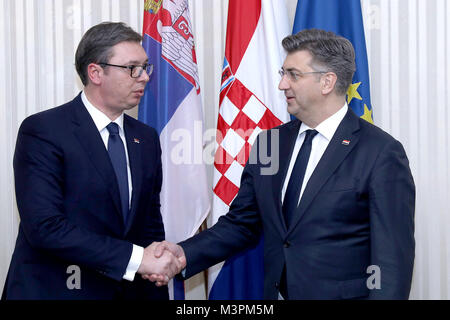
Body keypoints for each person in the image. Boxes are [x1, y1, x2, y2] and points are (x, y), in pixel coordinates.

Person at [151, 29, 416, 300]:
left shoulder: (380, 153)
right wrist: (183, 254)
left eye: (294, 75)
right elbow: (242, 223)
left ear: (327, 82)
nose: (282, 85)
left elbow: (391, 263)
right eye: (283, 73)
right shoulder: (270, 144)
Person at [2, 22, 183, 300]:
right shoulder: (43, 131)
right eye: (133, 68)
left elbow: (149, 221)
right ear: (96, 72)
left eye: (146, 67)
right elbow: (45, 227)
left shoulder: (145, 138)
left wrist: (157, 263)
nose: (145, 77)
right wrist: (137, 259)